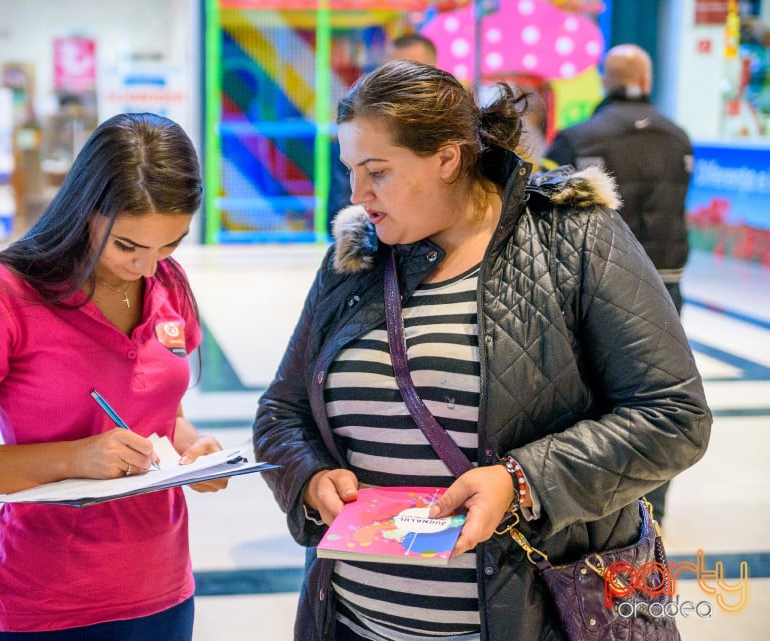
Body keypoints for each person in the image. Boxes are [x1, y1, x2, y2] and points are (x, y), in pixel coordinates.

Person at [253, 60, 711, 641]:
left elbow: (673, 416)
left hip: (531, 615)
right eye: (351, 171)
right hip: (355, 621)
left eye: (377, 172)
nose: (357, 194)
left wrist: (522, 482)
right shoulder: (355, 258)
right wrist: (309, 475)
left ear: (446, 158)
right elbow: (280, 412)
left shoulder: (574, 238)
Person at [0, 112, 227, 641]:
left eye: (170, 244)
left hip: (165, 591)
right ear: (84, 210)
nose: (149, 267)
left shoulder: (168, 283)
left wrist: (194, 452)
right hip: (48, 602)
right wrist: (72, 458)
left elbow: (163, 416)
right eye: (128, 246)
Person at [544, 43, 695, 524]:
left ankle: (605, 510)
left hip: (600, 284)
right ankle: (657, 510)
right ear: (646, 81)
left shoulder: (576, 137)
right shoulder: (679, 137)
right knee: (659, 392)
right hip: (667, 277)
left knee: (601, 394)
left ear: (605, 81)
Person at [327, 32, 438, 228]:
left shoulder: (449, 135)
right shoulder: (354, 140)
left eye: (409, 74)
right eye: (389, 72)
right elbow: (341, 210)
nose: (396, 84)